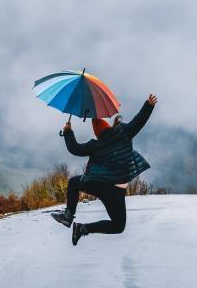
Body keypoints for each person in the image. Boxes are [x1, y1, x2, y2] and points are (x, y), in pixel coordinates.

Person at [52, 93, 157, 245]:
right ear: (108, 126)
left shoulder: (95, 145)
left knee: (74, 183)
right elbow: (139, 121)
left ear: (97, 133)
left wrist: (68, 131)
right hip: (117, 191)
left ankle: (69, 216)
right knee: (118, 226)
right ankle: (83, 229)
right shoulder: (124, 133)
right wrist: (149, 105)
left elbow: (74, 149)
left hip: (100, 186)